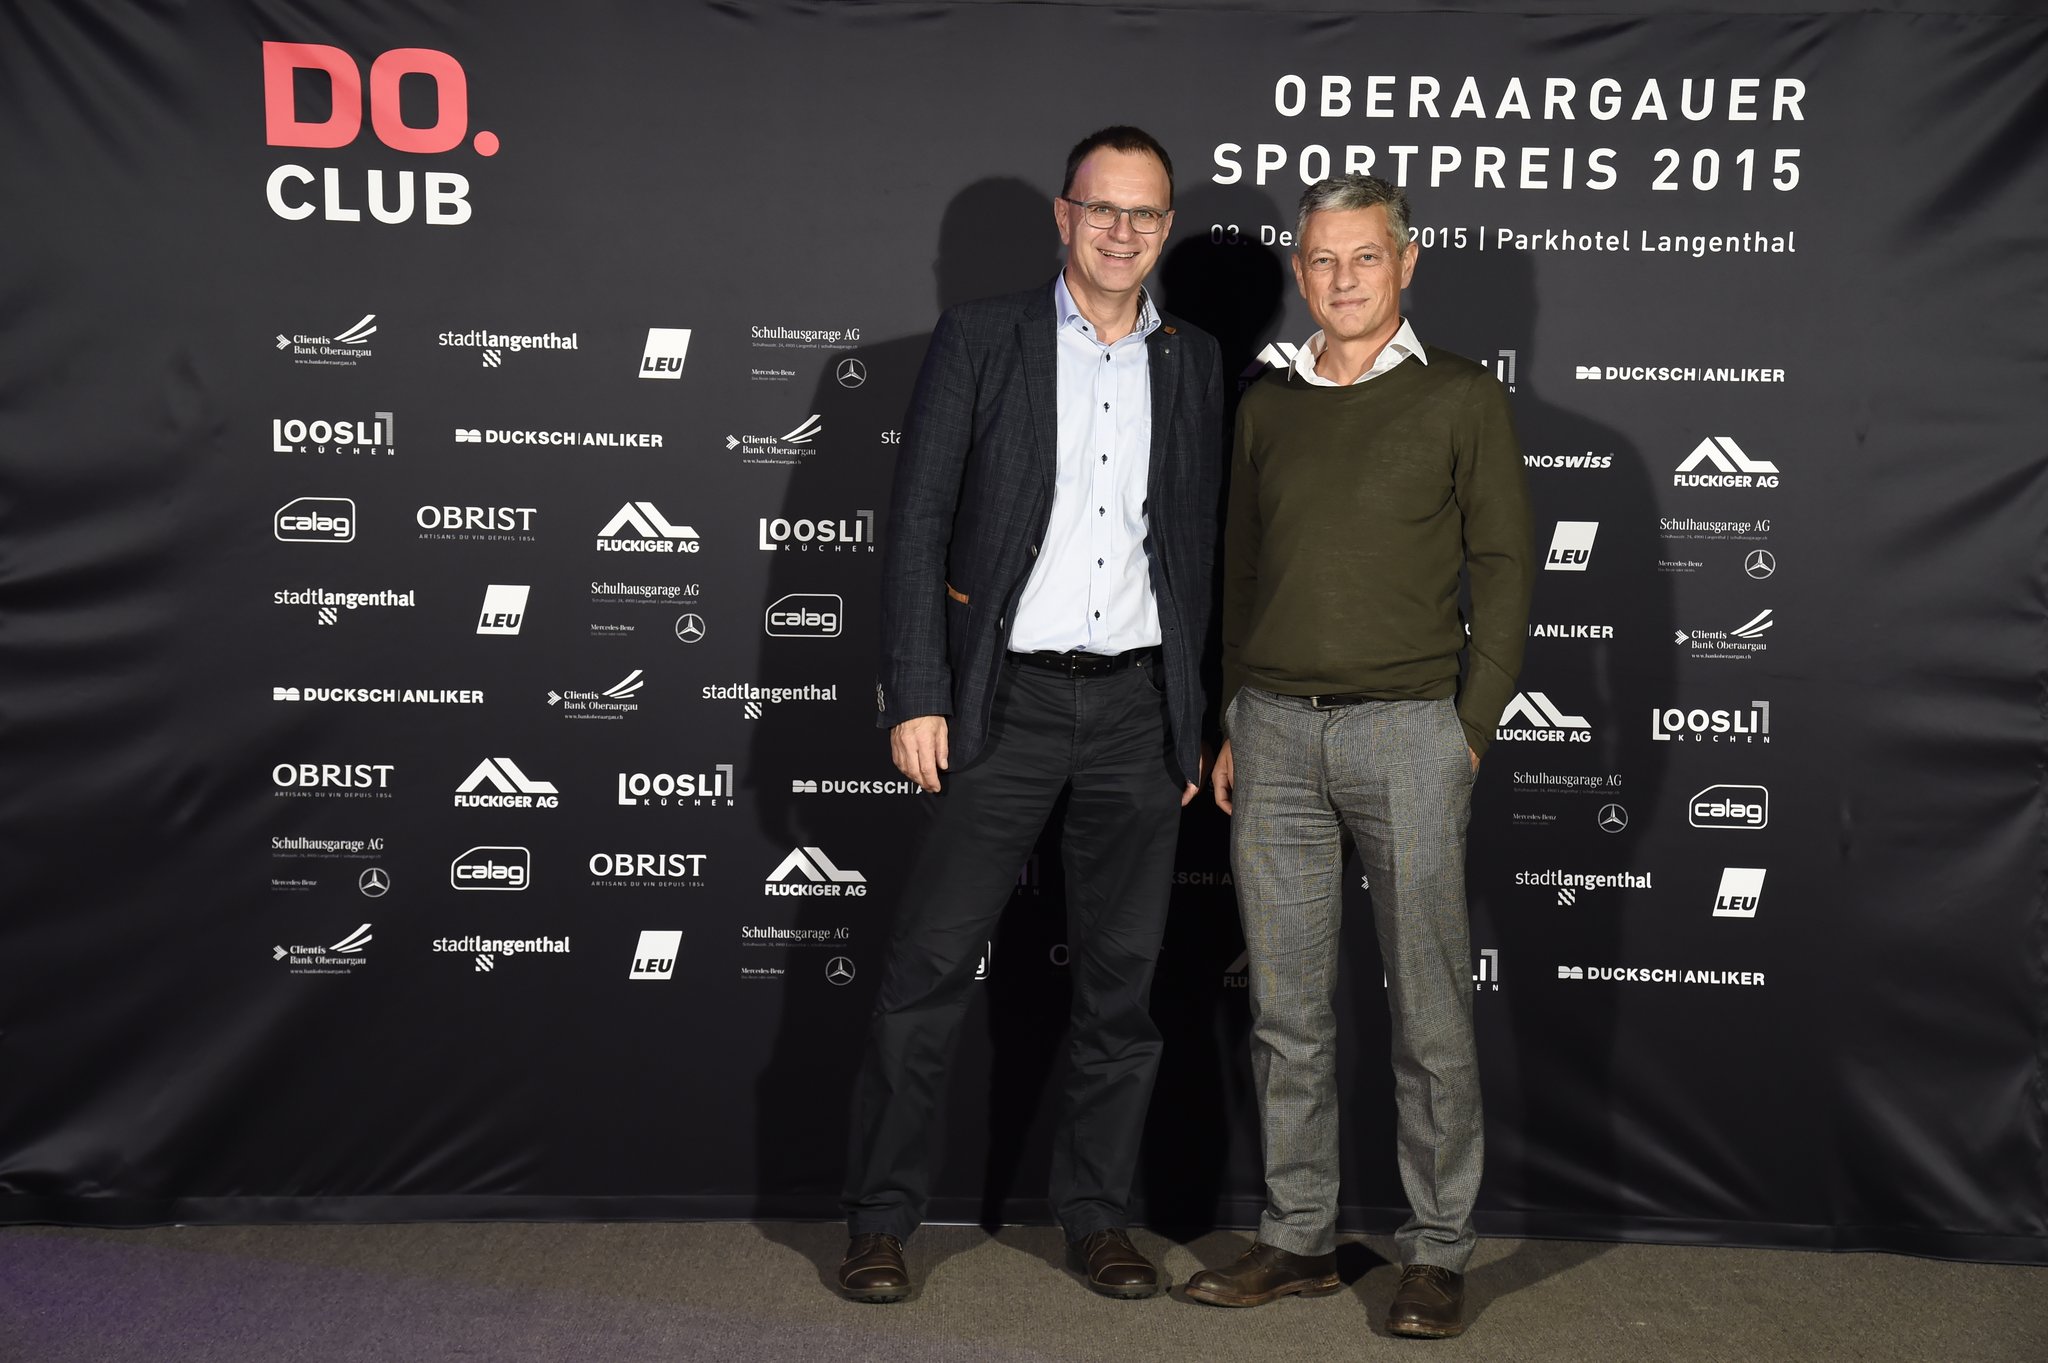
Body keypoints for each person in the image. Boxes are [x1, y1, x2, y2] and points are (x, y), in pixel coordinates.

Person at [839, 126, 1224, 1303]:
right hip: (998, 703)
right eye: (1102, 208)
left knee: (1121, 989)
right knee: (925, 974)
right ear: (1064, 217)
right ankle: (879, 1220)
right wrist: (917, 691)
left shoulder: (1195, 361)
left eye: (1144, 214)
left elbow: (1199, 553)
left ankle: (1096, 1216)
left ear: (1165, 228)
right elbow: (917, 521)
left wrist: (1192, 718)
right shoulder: (982, 336)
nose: (1122, 231)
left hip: (1134, 711)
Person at [1188, 173, 1532, 1339]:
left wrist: (1468, 725)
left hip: (1408, 733)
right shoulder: (1266, 404)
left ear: (1405, 262)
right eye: (1321, 260)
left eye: (1363, 257)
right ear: (1299, 272)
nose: (1340, 280)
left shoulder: (1461, 396)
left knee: (1428, 1013)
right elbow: (1238, 573)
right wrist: (1231, 714)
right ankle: (1297, 1236)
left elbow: (1505, 568)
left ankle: (1435, 1251)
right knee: (1286, 1011)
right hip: (1273, 735)